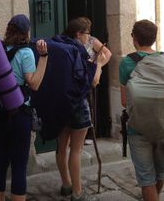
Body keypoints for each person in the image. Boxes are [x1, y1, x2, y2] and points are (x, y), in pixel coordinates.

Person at [0, 14, 48, 201]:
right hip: (20, 114)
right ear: (26, 33)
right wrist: (44, 58)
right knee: (19, 165)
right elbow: (34, 84)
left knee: (0, 160)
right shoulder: (26, 53)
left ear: (9, 30)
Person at [56, 17, 111, 201]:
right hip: (78, 103)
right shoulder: (79, 52)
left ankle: (66, 185)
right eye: (87, 33)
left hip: (60, 102)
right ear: (79, 34)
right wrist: (100, 65)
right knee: (76, 150)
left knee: (61, 147)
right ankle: (77, 193)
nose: (90, 37)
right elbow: (93, 81)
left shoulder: (59, 45)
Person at [118, 20, 164, 201]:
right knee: (160, 172)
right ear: (154, 38)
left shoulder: (127, 63)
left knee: (146, 178)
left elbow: (125, 101)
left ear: (135, 38)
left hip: (138, 127)